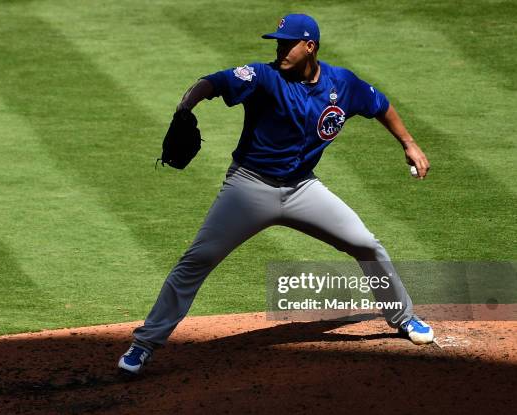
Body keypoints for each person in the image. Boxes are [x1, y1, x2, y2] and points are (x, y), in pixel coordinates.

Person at [118, 13, 433, 375]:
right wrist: (184, 107)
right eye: (278, 43)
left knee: (366, 244)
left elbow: (379, 104)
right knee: (197, 259)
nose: (280, 49)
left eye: (288, 43)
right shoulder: (264, 77)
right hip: (249, 187)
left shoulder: (342, 83)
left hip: (303, 188)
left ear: (310, 46)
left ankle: (404, 317)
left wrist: (409, 143)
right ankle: (144, 344)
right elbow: (212, 82)